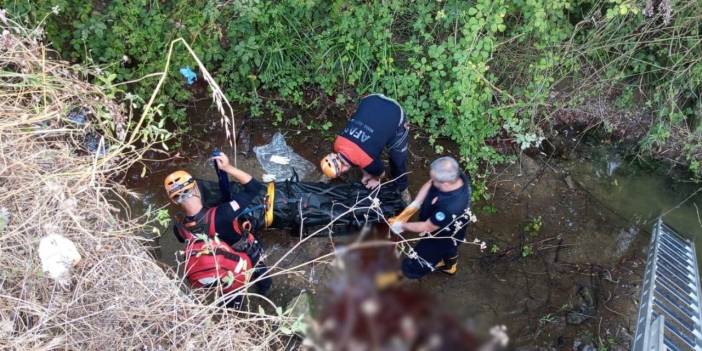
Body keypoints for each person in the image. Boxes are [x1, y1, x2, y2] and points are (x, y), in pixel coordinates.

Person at [164, 152, 271, 302]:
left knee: (231, 296)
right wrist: (227, 167)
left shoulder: (179, 228)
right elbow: (254, 187)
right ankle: (264, 293)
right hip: (246, 257)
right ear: (195, 188)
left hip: (221, 271)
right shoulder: (224, 213)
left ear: (174, 201)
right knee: (263, 279)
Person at [320, 94, 412, 204]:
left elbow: (380, 173)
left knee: (398, 159)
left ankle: (402, 188)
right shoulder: (337, 143)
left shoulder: (368, 160)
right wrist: (366, 173)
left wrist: (375, 179)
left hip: (395, 113)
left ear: (344, 169)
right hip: (370, 100)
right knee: (370, 146)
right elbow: (360, 156)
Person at [390, 156, 471, 279]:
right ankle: (449, 265)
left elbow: (427, 227)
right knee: (450, 247)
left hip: (441, 235)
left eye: (434, 179)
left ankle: (406, 274)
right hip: (447, 224)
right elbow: (430, 183)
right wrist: (414, 205)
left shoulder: (451, 207)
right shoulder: (455, 176)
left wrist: (401, 225)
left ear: (446, 183)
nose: (431, 181)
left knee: (420, 259)